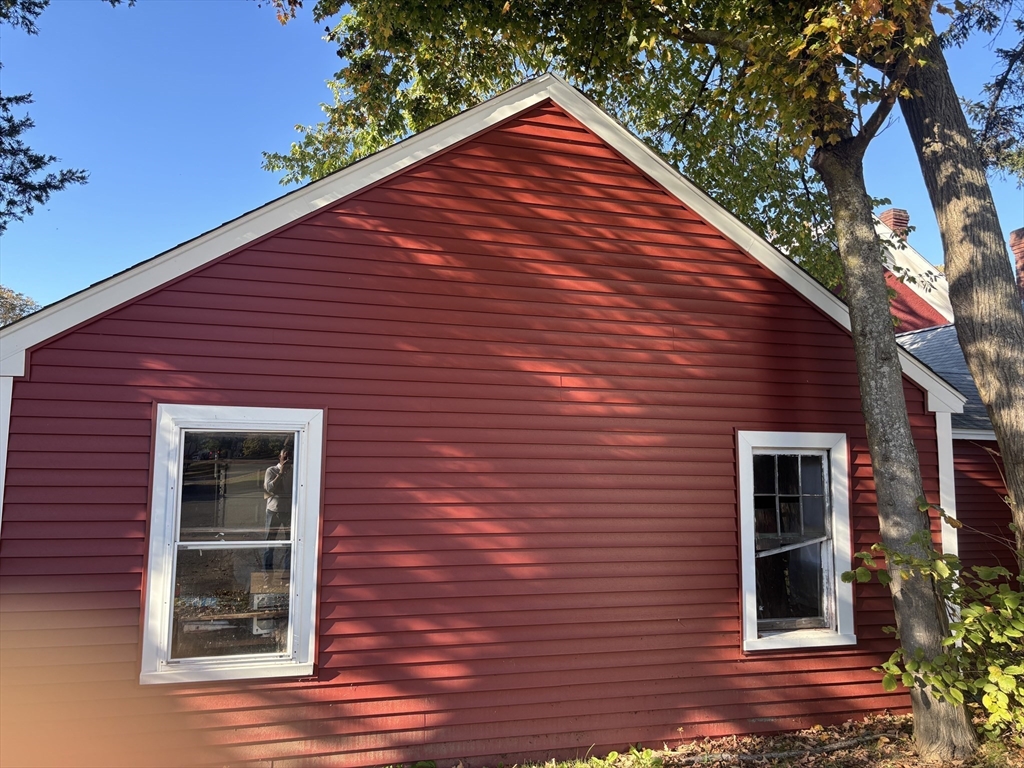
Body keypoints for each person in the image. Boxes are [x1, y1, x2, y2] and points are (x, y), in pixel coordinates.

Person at [263, 449, 292, 571]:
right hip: (273, 511)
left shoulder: (294, 472)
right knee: (269, 543)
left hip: (289, 511)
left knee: (290, 543)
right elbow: (269, 489)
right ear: (279, 457)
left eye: (289, 458)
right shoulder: (271, 470)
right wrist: (280, 473)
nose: (287, 460)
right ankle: (267, 575)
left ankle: (287, 575)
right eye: (284, 457)